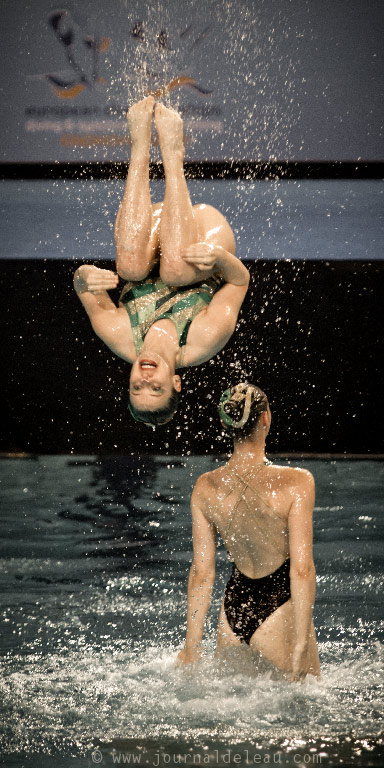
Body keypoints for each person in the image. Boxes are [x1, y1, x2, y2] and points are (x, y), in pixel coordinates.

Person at [73, 96, 249, 425]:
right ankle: (172, 153)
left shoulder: (117, 333)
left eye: (136, 388)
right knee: (178, 270)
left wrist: (86, 275)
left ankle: (139, 144)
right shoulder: (204, 339)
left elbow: (81, 284)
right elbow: (240, 281)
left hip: (157, 230)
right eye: (156, 390)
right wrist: (219, 258)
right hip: (205, 238)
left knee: (130, 268)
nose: (146, 380)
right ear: (175, 383)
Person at [177, 383, 320, 681]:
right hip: (280, 609)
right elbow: (302, 569)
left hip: (233, 610)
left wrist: (192, 645)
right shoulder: (297, 482)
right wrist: (302, 641)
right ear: (266, 418)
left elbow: (202, 572)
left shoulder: (205, 486)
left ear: (224, 423)